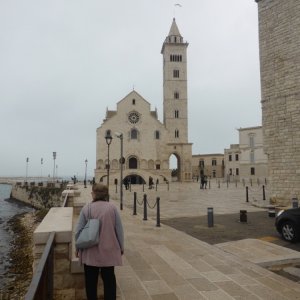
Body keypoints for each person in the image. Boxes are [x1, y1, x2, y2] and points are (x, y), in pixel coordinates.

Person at [75, 184, 124, 300]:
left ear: (94, 194)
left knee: (90, 283)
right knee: (109, 282)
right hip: (108, 251)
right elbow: (119, 230)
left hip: (90, 252)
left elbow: (78, 231)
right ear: (106, 195)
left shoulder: (87, 208)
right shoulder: (112, 208)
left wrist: (77, 248)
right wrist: (121, 247)